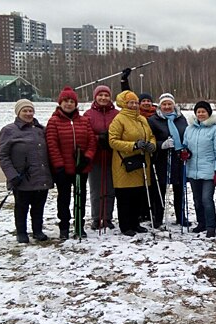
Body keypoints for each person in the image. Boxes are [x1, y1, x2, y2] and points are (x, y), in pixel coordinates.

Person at [0, 99, 54, 243]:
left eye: (30, 110)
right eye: (25, 111)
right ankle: (21, 232)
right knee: (22, 206)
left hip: (41, 176)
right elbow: (3, 156)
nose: (28, 113)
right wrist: (12, 175)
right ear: (18, 112)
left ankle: (37, 230)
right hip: (22, 177)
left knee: (38, 206)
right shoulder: (9, 131)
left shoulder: (41, 130)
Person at [45, 86, 97, 240]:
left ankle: (79, 224)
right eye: (66, 101)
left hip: (81, 167)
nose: (69, 104)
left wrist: (87, 158)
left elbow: (91, 142)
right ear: (60, 103)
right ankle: (64, 225)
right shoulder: (54, 121)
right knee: (64, 198)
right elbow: (52, 145)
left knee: (80, 196)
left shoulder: (83, 121)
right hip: (63, 169)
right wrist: (59, 165)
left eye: (71, 101)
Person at [109, 90, 157, 236]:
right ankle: (126, 225)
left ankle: (136, 223)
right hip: (125, 164)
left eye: (136, 102)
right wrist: (133, 145)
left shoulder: (142, 119)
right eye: (131, 102)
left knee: (138, 195)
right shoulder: (119, 120)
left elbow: (151, 135)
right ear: (124, 103)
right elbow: (113, 141)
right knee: (125, 197)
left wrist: (151, 145)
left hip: (141, 163)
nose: (134, 105)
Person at [147, 92, 190, 228]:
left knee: (179, 188)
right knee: (160, 188)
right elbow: (150, 138)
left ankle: (180, 216)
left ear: (173, 104)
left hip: (178, 158)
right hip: (161, 158)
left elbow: (187, 135)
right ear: (160, 106)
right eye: (164, 104)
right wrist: (161, 144)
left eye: (169, 104)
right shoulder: (153, 120)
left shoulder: (181, 118)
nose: (167, 107)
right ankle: (158, 217)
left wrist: (186, 149)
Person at [184, 101, 216, 238]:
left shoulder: (214, 129)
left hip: (209, 171)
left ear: (208, 113)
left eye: (203, 111)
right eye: (198, 112)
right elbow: (185, 146)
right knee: (197, 200)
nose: (201, 114)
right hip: (193, 170)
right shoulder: (189, 129)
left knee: (207, 199)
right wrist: (185, 153)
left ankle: (211, 226)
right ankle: (201, 223)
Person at [84, 85, 118, 232]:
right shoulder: (88, 114)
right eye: (100, 95)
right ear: (95, 97)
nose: (103, 98)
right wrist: (98, 138)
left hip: (113, 156)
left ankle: (108, 217)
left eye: (106, 95)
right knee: (96, 190)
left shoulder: (116, 114)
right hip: (96, 156)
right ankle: (97, 218)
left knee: (110, 189)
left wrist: (110, 139)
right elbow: (85, 133)